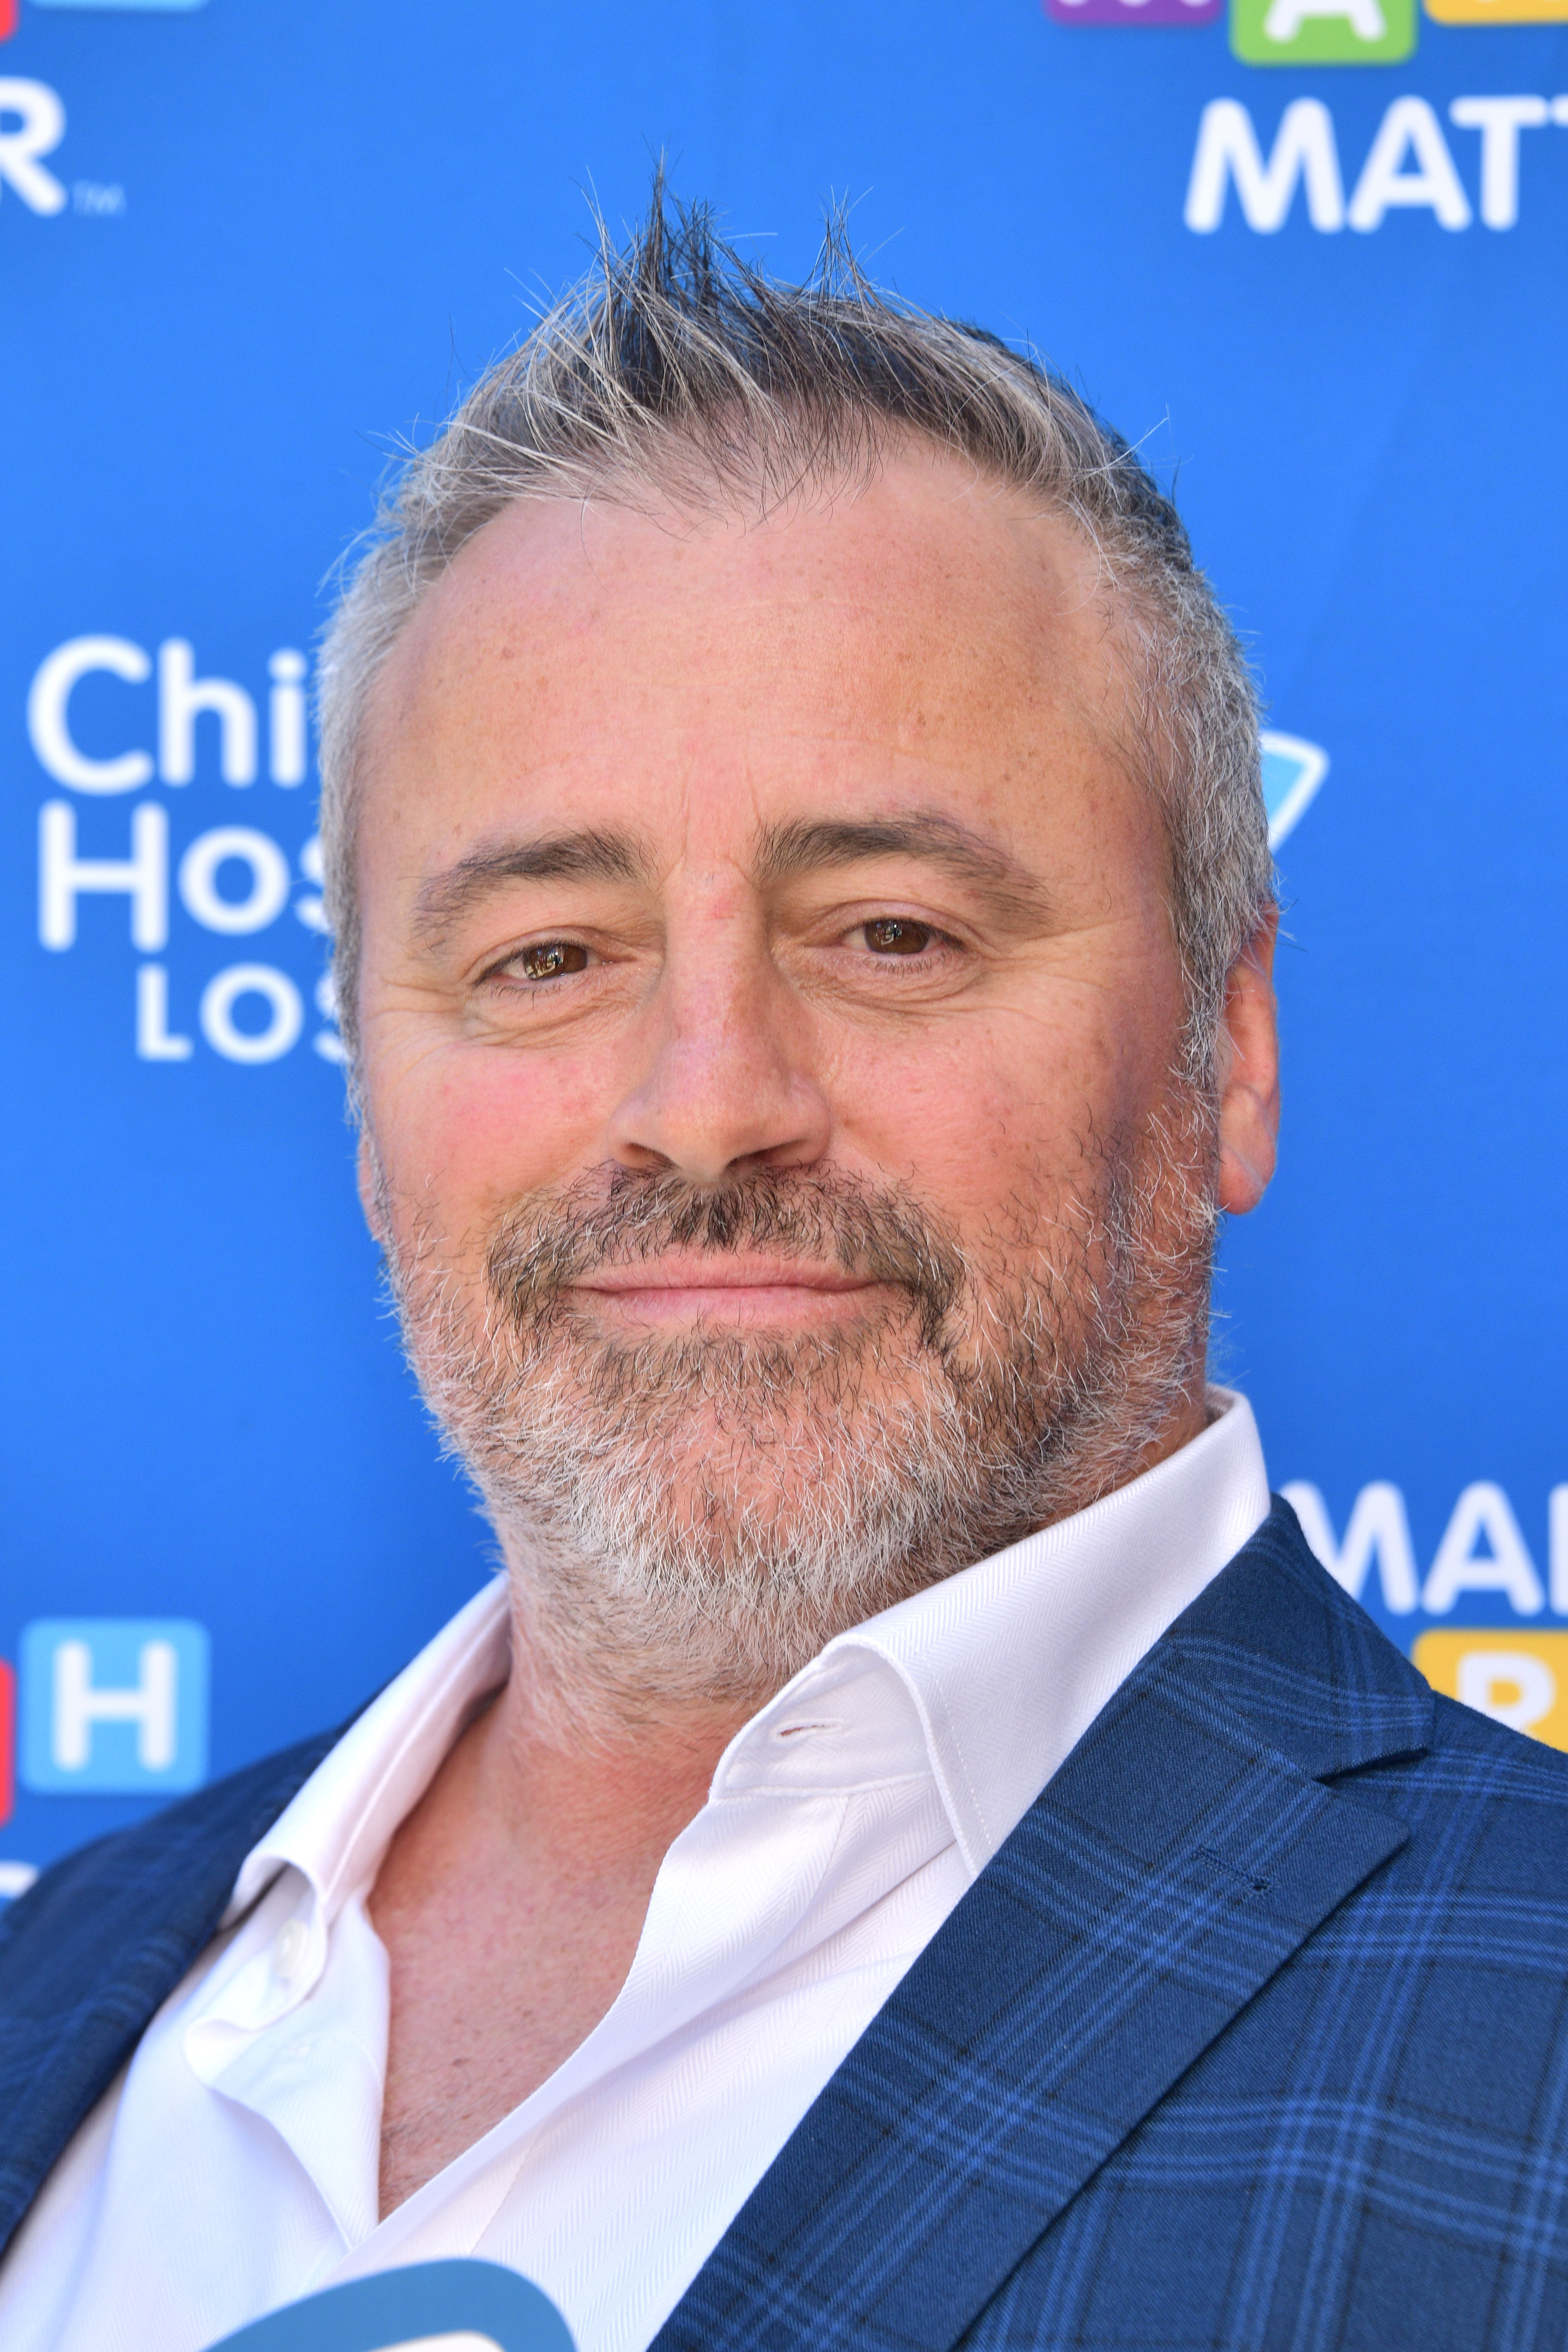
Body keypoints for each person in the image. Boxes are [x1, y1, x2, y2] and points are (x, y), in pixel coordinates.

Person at [2, 192, 1566, 2352]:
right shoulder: (56, 1981)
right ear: (366, 1097)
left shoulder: (1531, 2054)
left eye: (891, 933)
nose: (707, 1098)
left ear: (1225, 1049)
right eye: (545, 956)